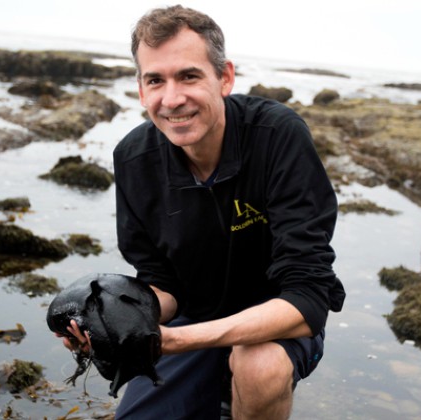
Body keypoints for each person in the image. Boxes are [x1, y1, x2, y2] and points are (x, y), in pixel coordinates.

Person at [61, 5, 345, 419]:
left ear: (224, 77)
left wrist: (178, 341)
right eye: (155, 80)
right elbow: (162, 284)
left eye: (189, 76)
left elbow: (308, 299)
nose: (172, 99)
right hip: (193, 317)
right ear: (141, 90)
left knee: (257, 367)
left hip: (276, 322)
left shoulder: (277, 136)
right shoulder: (134, 158)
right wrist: (112, 320)